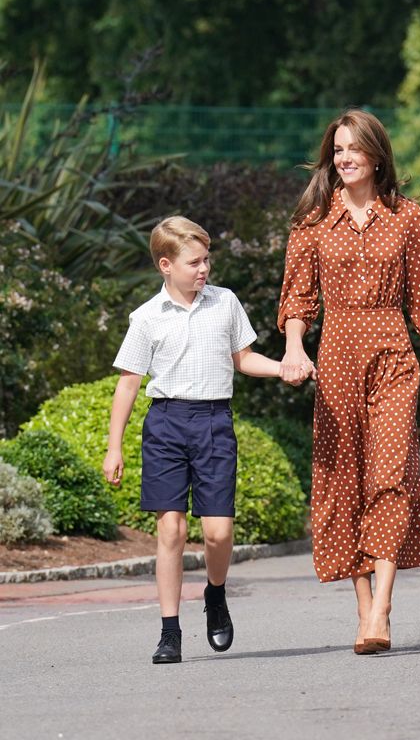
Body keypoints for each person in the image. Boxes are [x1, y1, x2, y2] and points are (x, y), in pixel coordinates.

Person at [277, 108, 420, 655]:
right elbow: (298, 296)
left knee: (389, 471)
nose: (345, 158)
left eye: (354, 148)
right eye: (337, 150)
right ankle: (363, 615)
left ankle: (382, 606)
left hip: (393, 357)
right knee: (344, 483)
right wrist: (292, 348)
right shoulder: (312, 219)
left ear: (377, 155)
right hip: (335, 358)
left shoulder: (406, 217)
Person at [103, 216, 285, 664]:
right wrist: (114, 446)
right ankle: (169, 632)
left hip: (213, 421)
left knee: (218, 533)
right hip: (165, 424)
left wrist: (284, 367)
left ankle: (216, 595)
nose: (204, 269)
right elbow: (128, 384)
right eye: (194, 262)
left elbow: (244, 359)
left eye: (207, 260)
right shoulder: (146, 318)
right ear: (166, 265)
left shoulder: (224, 303)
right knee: (172, 529)